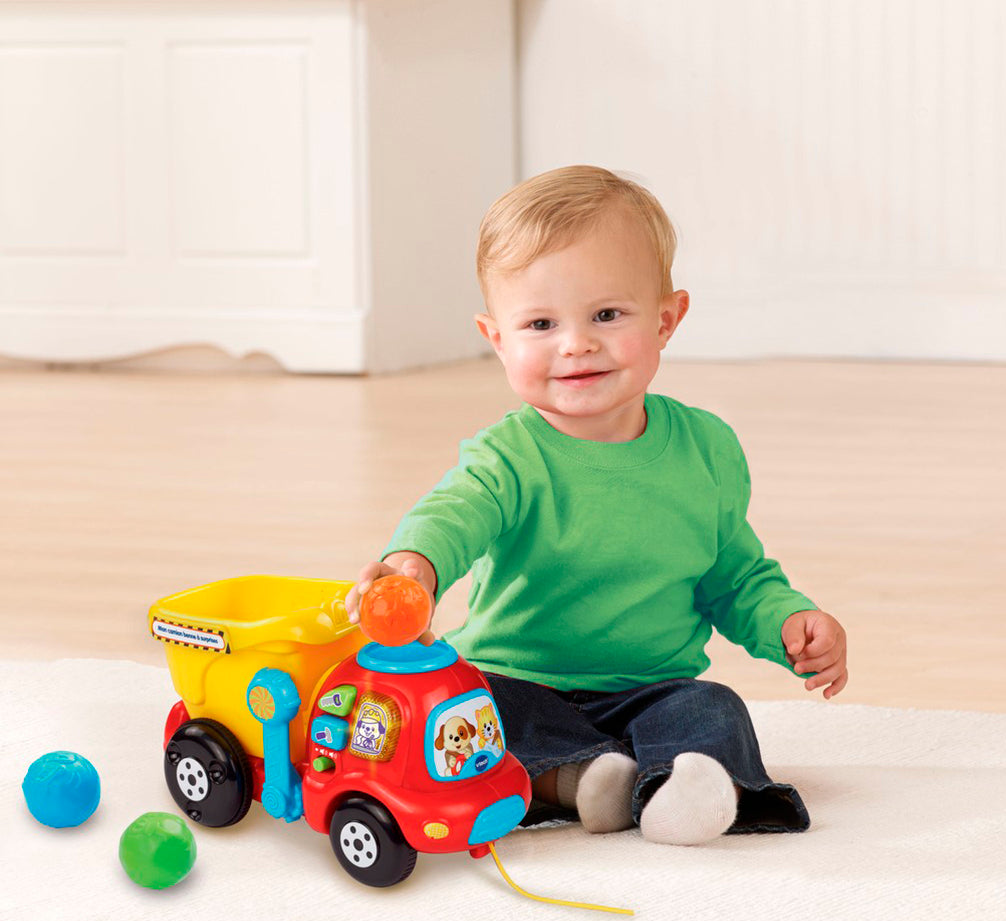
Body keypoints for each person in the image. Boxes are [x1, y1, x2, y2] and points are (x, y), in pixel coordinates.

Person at [345, 165, 847, 845]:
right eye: (540, 323)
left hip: (654, 688)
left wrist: (788, 621)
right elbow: (453, 514)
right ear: (498, 339)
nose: (576, 343)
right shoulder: (508, 455)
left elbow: (733, 576)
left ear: (666, 320)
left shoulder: (706, 449)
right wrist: (416, 565)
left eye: (607, 315)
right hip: (519, 679)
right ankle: (584, 782)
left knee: (713, 709)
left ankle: (683, 790)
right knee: (467, 712)